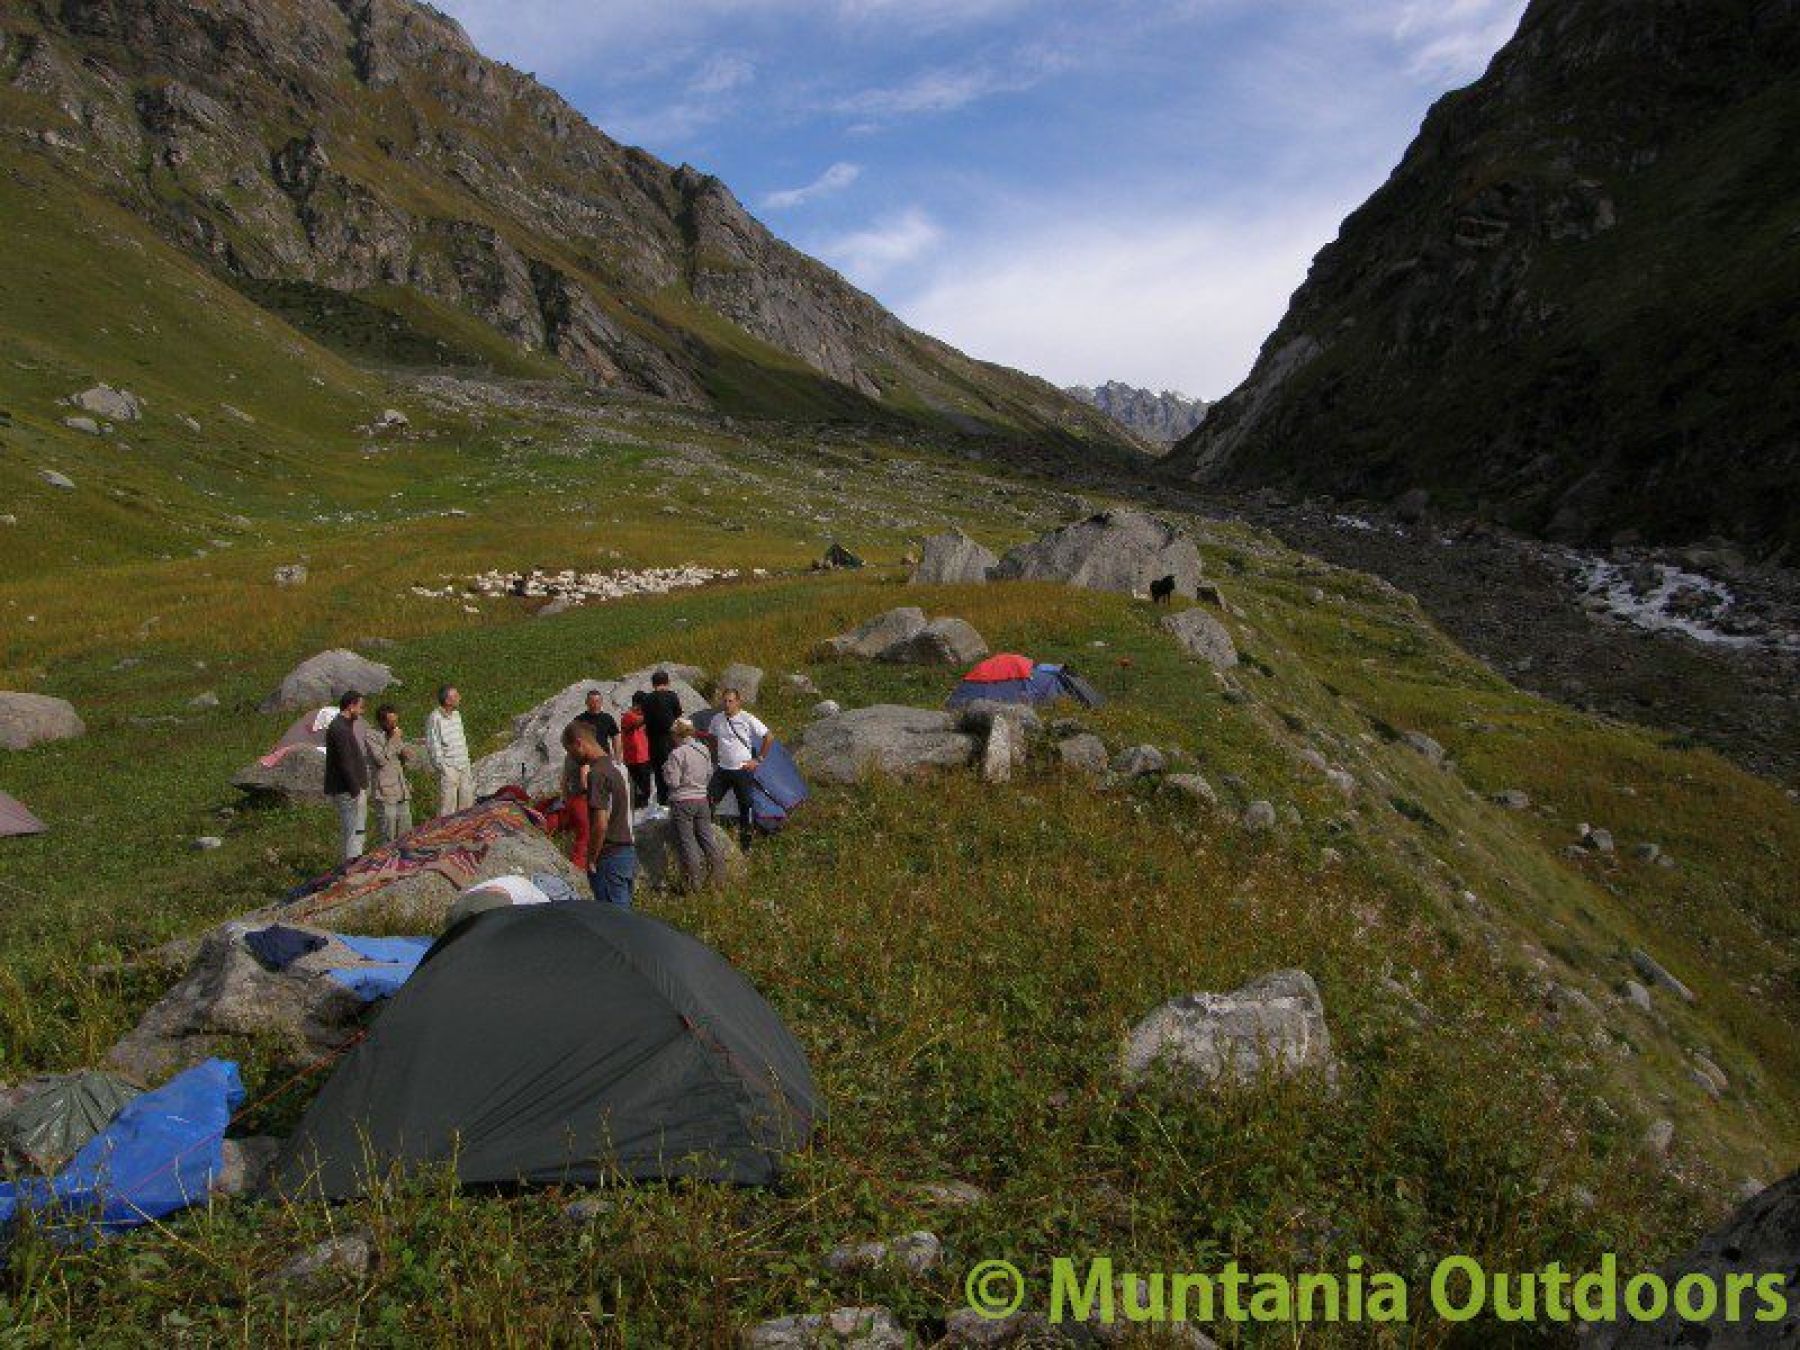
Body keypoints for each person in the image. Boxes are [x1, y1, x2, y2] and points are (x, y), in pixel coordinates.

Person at [565, 721, 636, 906]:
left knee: (611, 916)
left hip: (609, 854)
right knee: (624, 913)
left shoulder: (597, 774)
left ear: (579, 743)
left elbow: (601, 824)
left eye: (570, 751)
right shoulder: (620, 767)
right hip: (627, 851)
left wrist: (591, 859)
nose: (571, 757)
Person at [704, 687, 775, 851]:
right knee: (708, 801)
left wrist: (758, 760)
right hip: (723, 769)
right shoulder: (717, 719)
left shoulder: (747, 718)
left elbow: (769, 737)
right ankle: (707, 837)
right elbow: (711, 737)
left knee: (745, 807)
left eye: (731, 701)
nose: (727, 704)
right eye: (725, 701)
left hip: (742, 770)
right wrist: (714, 755)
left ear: (738, 702)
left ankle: (746, 845)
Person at [662, 717, 727, 890]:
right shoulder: (703, 749)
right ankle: (719, 879)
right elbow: (709, 773)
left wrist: (666, 770)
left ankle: (693, 884)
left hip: (683, 801)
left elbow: (673, 782)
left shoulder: (677, 754)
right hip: (702, 799)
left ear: (678, 734)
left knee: (688, 842)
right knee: (707, 839)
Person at [323, 691, 370, 863]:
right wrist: (355, 789)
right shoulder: (340, 729)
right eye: (360, 707)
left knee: (356, 829)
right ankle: (351, 864)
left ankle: (353, 860)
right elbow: (345, 762)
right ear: (351, 706)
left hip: (351, 787)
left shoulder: (344, 725)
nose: (362, 711)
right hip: (347, 789)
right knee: (352, 830)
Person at [363, 703, 414, 846]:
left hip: (401, 789)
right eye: (390, 722)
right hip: (385, 792)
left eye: (395, 721)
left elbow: (406, 756)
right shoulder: (371, 735)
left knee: (406, 833)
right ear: (382, 721)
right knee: (388, 834)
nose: (394, 725)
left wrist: (406, 751)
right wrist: (394, 740)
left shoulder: (394, 734)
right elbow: (380, 760)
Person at [425, 684, 474, 817]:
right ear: (447, 700)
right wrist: (444, 768)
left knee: (467, 802)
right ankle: (445, 830)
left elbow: (461, 739)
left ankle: (464, 828)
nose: (459, 698)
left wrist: (466, 760)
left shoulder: (457, 715)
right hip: (449, 767)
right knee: (447, 807)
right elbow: (433, 745)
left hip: (464, 765)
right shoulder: (435, 718)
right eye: (456, 696)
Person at [641, 670, 685, 806]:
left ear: (653, 684)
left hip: (653, 742)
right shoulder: (672, 696)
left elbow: (646, 719)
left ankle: (662, 803)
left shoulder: (646, 699)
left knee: (659, 775)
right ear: (667, 682)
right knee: (673, 772)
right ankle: (675, 802)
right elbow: (678, 716)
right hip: (670, 740)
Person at [620, 691, 654, 808]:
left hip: (644, 757)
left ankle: (643, 807)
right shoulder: (628, 716)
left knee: (646, 789)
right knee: (638, 790)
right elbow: (638, 722)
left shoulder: (640, 715)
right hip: (634, 759)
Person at [574, 689, 621, 759]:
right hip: (585, 758)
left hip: (603, 756)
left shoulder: (607, 718)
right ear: (586, 702)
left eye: (597, 701)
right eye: (592, 702)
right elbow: (573, 739)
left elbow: (615, 737)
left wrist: (617, 757)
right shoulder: (579, 720)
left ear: (601, 702)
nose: (595, 705)